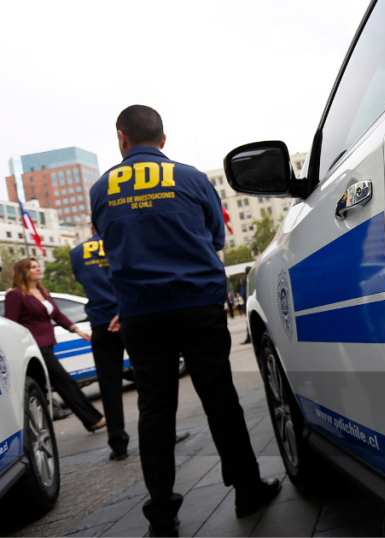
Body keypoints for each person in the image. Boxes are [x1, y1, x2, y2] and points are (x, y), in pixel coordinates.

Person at [91, 105, 278, 537]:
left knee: (155, 409)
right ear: (163, 139)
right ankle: (247, 490)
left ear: (121, 138)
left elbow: (107, 240)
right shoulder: (191, 178)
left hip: (139, 310)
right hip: (196, 303)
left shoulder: (102, 189)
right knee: (219, 395)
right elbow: (216, 237)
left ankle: (161, 516)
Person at [70, 231, 190, 461]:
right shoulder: (122, 239)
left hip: (100, 321)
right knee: (149, 379)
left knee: (109, 385)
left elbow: (81, 279)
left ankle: (118, 444)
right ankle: (164, 433)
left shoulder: (77, 252)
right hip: (131, 315)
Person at [4, 258, 106, 432]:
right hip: (34, 346)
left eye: (38, 266)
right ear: (24, 272)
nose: (38, 269)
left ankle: (84, 421)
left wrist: (76, 330)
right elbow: (11, 322)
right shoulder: (16, 295)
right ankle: (93, 419)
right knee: (65, 381)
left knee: (53, 385)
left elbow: (57, 315)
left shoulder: (42, 291)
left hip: (47, 343)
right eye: (33, 267)